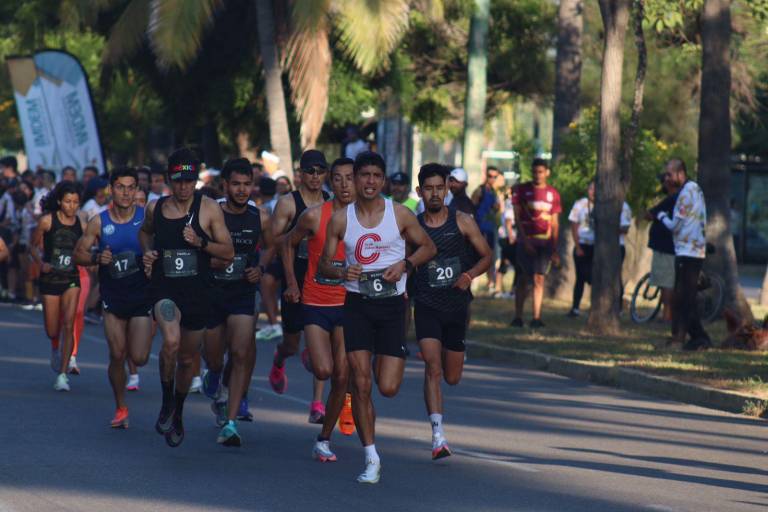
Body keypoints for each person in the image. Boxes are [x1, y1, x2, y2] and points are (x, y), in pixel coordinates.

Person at [320, 151, 436, 484]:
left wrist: (406, 265)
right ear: (354, 179)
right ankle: (371, 456)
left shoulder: (399, 214)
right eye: (364, 175)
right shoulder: (342, 219)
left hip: (391, 308)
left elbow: (427, 247)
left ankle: (372, 373)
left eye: (375, 176)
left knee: (387, 387)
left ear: (382, 181)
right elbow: (323, 265)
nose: (369, 182)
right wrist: (343, 268)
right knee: (360, 382)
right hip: (356, 305)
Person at [140, 147, 234, 447]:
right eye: (178, 181)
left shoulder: (209, 209)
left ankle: (177, 411)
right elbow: (145, 233)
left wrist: (201, 242)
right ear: (169, 179)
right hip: (165, 289)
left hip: (197, 292)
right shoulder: (156, 208)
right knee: (170, 341)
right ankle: (167, 400)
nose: (183, 187)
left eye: (188, 181)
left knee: (186, 359)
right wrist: (148, 252)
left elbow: (228, 252)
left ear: (195, 180)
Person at [413, 163, 491, 459]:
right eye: (428, 188)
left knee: (452, 376)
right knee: (432, 367)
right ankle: (438, 436)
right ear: (420, 192)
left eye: (439, 187)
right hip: (427, 306)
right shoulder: (413, 226)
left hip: (456, 308)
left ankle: (438, 430)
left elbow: (486, 256)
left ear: (446, 189)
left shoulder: (462, 221)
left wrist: (469, 275)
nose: (434, 193)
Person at [282, 157, 357, 462]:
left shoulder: (368, 218)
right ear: (330, 182)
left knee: (342, 375)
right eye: (337, 179)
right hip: (315, 299)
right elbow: (288, 244)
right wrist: (292, 282)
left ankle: (323, 439)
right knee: (324, 369)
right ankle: (313, 354)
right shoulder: (314, 216)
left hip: (349, 302)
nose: (343, 184)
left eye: (349, 178)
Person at [73, 167, 153, 428]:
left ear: (137, 190)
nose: (127, 192)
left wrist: (155, 258)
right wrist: (97, 257)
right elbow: (79, 254)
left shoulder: (147, 218)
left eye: (132, 187)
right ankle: (121, 408)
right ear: (111, 189)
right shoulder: (99, 221)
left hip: (141, 297)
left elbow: (164, 246)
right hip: (113, 298)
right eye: (121, 187)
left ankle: (133, 354)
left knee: (138, 357)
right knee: (117, 354)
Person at [202, 158, 274, 446]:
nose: (242, 190)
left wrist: (262, 268)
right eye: (236, 184)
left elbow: (270, 246)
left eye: (247, 184)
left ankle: (231, 423)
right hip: (213, 293)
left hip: (243, 292)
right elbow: (196, 247)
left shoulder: (261, 217)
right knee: (216, 356)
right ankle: (215, 374)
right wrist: (212, 261)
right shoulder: (211, 212)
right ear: (224, 186)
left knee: (242, 353)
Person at [267, 150, 330, 422]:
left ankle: (317, 404)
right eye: (310, 171)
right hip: (295, 276)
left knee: (323, 347)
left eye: (320, 171)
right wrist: (298, 238)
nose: (315, 177)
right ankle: (280, 359)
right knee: (292, 343)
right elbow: (274, 240)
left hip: (323, 279)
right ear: (300, 174)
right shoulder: (288, 204)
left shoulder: (332, 201)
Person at [30, 182, 84, 391]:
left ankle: (62, 374)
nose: (72, 206)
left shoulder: (82, 223)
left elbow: (90, 245)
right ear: (60, 201)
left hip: (71, 278)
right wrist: (41, 263)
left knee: (69, 323)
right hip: (50, 279)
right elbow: (32, 246)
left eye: (76, 202)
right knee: (52, 329)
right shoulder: (47, 221)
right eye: (68, 202)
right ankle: (55, 347)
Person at [656, 158, 711, 351]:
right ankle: (695, 338)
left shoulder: (685, 194)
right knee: (684, 298)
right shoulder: (695, 189)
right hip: (693, 250)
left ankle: (683, 339)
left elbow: (675, 225)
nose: (667, 179)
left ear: (681, 173)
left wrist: (661, 216)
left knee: (682, 299)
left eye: (670, 174)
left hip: (688, 252)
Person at [511, 158, 561, 328]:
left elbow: (555, 223)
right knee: (523, 278)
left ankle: (536, 317)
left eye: (540, 171)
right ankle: (518, 317)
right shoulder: (522, 190)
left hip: (544, 244)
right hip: (526, 242)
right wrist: (525, 241)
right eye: (534, 171)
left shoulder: (553, 194)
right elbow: (517, 218)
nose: (537, 175)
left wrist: (554, 248)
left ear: (547, 172)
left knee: (539, 278)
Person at [646, 175, 679, 323]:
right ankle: (667, 313)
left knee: (666, 282)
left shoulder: (671, 199)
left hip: (666, 248)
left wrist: (657, 215)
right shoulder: (677, 199)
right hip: (669, 247)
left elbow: (650, 214)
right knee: (668, 281)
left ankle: (667, 314)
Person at [567, 182, 595, 317]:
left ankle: (594, 307)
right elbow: (573, 224)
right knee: (581, 277)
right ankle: (575, 307)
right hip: (582, 244)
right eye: (591, 188)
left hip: (597, 246)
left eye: (596, 189)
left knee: (594, 278)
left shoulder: (604, 205)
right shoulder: (580, 204)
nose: (593, 192)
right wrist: (577, 246)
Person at [471, 167, 501, 289]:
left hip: (490, 229)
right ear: (486, 175)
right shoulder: (479, 190)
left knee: (490, 255)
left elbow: (496, 209)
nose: (492, 179)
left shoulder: (494, 192)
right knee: (477, 255)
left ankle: (490, 283)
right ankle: (473, 281)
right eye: (490, 176)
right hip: (479, 228)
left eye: (495, 176)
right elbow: (471, 208)